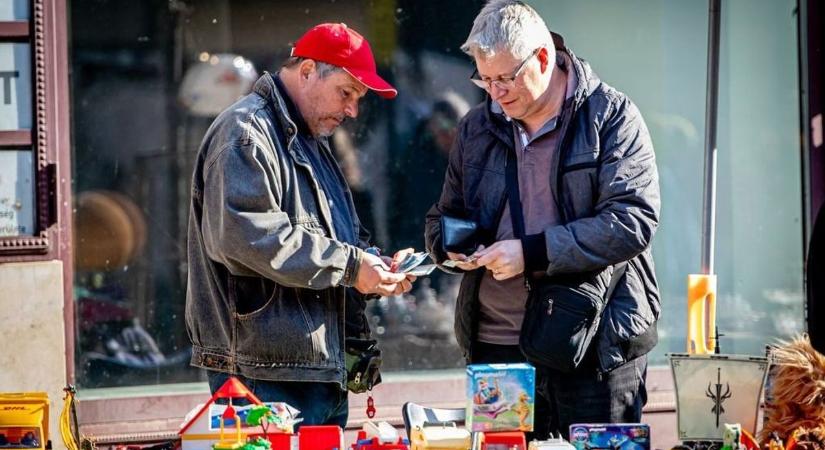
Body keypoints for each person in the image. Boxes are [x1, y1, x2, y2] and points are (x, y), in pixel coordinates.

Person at [425, 0, 661, 438]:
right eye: (485, 78)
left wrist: (529, 252)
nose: (495, 92)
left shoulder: (611, 116)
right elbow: (444, 216)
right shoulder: (475, 128)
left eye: (506, 78)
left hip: (596, 345)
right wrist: (451, 246)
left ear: (544, 57)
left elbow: (633, 221)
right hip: (498, 345)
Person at [186, 23, 415, 428]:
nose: (352, 110)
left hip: (313, 371)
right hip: (263, 377)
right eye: (347, 92)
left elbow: (338, 243)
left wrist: (374, 267)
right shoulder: (244, 132)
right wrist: (350, 266)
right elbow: (245, 237)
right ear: (307, 70)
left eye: (358, 99)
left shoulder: (310, 138)